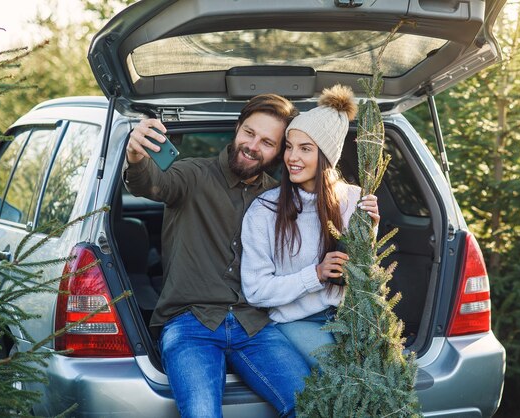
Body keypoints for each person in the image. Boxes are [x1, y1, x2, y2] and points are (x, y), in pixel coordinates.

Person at [123, 94, 311, 418]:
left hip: (254, 325)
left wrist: (365, 215)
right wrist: (135, 156)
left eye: (267, 142)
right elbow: (151, 183)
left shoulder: (279, 197)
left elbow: (321, 227)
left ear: (279, 152)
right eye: (249, 133)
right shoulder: (192, 175)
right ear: (237, 128)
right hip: (189, 323)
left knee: (312, 405)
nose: (253, 145)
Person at [240, 85, 379, 369]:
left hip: (347, 316)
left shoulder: (354, 199)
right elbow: (255, 291)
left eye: (305, 149)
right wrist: (315, 274)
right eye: (289, 147)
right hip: (294, 321)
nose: (292, 158)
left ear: (327, 156)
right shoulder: (265, 210)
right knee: (341, 373)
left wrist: (371, 231)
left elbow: (364, 273)